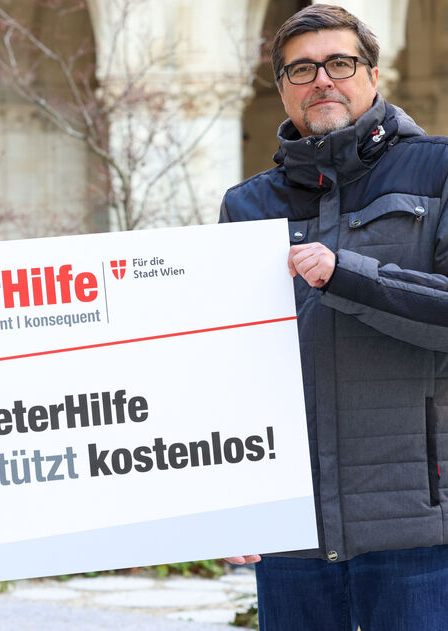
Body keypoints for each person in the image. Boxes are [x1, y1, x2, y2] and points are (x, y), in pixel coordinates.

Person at [219, 5, 448, 630]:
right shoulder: (247, 206)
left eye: (339, 63)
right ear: (282, 88)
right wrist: (228, 503)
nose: (321, 79)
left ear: (373, 75)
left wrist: (347, 275)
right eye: (301, 69)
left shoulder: (439, 170)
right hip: (292, 538)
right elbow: (230, 370)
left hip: (419, 529)